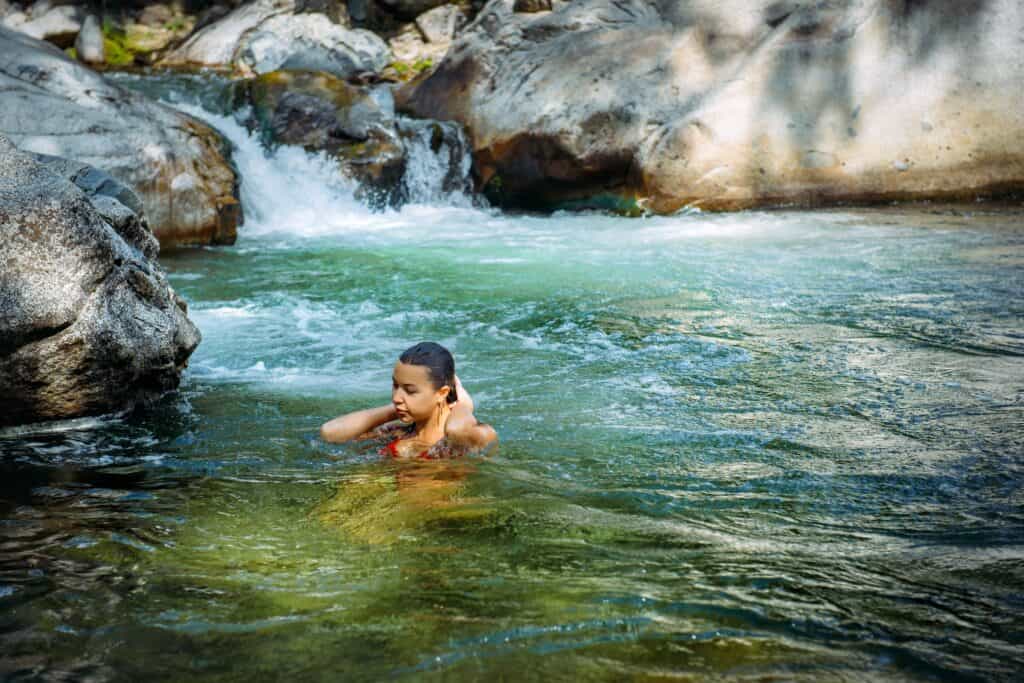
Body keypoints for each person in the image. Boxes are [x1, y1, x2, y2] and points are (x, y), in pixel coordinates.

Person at [320, 341, 497, 458]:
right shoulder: (398, 432)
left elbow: (457, 429)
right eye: (395, 386)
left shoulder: (468, 439)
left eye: (410, 391)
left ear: (442, 393)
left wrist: (462, 404)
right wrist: (394, 410)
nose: (396, 397)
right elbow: (330, 432)